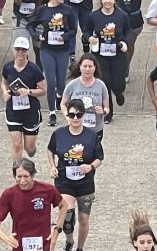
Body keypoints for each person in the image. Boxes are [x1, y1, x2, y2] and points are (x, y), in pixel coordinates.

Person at [47, 97, 104, 251]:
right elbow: (50, 150)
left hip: (85, 183)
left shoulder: (91, 136)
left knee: (84, 220)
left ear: (83, 115)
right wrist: (52, 166)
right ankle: (69, 240)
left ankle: (80, 248)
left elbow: (99, 157)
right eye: (72, 115)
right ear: (67, 115)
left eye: (79, 115)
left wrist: (91, 167)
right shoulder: (59, 134)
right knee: (68, 218)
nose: (75, 118)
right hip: (65, 182)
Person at [27, 0, 78, 127]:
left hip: (62, 50)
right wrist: (37, 36)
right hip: (47, 50)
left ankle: (59, 95)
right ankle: (52, 113)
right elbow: (30, 25)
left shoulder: (68, 10)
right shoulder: (42, 10)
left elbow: (74, 30)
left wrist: (65, 36)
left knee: (61, 82)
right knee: (51, 81)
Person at [0, 158, 67, 251]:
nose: (22, 180)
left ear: (32, 175)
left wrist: (57, 230)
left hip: (44, 244)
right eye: (19, 176)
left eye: (26, 176)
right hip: (19, 245)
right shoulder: (9, 194)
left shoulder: (47, 190)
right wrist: (6, 239)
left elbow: (64, 205)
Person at [85, 0, 131, 119]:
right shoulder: (94, 16)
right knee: (105, 83)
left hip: (118, 55)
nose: (107, 1)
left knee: (117, 83)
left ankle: (119, 93)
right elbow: (86, 31)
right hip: (100, 55)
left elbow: (128, 32)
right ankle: (108, 111)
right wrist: (89, 38)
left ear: (115, 0)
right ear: (101, 0)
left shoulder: (122, 16)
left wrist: (125, 43)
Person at [1, 36, 46, 163]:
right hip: (13, 110)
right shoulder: (8, 67)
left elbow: (43, 90)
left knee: (29, 148)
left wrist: (29, 91)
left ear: (27, 51)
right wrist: (5, 91)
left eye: (23, 50)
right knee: (16, 144)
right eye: (18, 49)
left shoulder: (34, 70)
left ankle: (32, 149)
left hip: (30, 112)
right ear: (13, 49)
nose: (20, 52)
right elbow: (4, 82)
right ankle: (17, 170)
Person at [61, 54, 110, 135]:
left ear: (95, 68)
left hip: (96, 129)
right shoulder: (72, 85)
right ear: (80, 67)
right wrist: (68, 116)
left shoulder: (101, 85)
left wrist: (103, 111)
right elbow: (63, 104)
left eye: (90, 66)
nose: (87, 69)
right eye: (85, 66)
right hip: (76, 128)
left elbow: (107, 108)